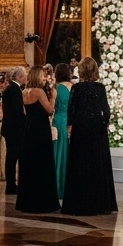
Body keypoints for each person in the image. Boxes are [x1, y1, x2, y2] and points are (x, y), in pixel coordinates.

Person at [63, 57, 118, 216]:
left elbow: (71, 110)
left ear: (80, 70)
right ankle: (99, 202)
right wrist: (104, 123)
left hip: (81, 128)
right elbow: (105, 109)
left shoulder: (77, 88)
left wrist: (70, 125)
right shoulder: (100, 88)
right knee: (97, 162)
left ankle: (79, 202)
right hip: (96, 128)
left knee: (80, 162)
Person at [16, 68, 60, 213]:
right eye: (42, 75)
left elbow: (25, 112)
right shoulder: (39, 92)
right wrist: (53, 97)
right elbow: (49, 110)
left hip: (28, 129)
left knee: (30, 163)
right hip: (40, 130)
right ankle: (43, 201)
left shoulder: (24, 92)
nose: (44, 78)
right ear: (37, 76)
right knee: (42, 162)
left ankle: (27, 201)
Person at [1, 66, 28, 196]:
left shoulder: (12, 89)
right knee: (13, 157)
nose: (26, 78)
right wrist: (28, 120)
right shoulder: (14, 90)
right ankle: (11, 185)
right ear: (18, 77)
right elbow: (17, 111)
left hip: (11, 127)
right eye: (24, 75)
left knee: (12, 157)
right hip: (14, 128)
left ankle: (11, 184)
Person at [52, 63, 73, 196]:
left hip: (59, 121)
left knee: (58, 153)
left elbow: (51, 106)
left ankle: (56, 185)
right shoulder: (74, 87)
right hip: (71, 121)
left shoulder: (57, 88)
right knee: (68, 153)